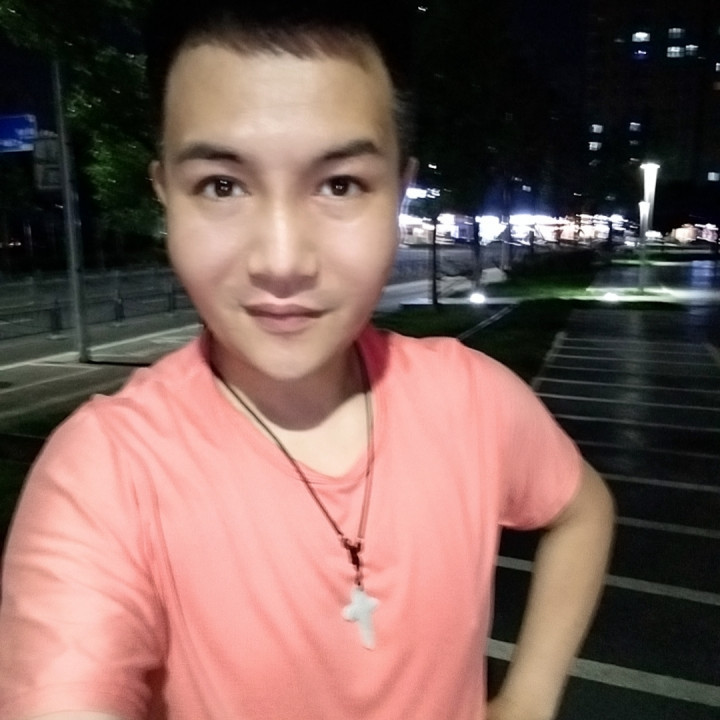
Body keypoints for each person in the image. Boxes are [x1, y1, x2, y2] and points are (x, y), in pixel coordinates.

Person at [0, 2, 615, 719]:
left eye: (339, 184)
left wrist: (529, 699)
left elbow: (583, 509)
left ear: (398, 191)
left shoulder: (471, 400)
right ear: (166, 194)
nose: (282, 260)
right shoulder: (105, 475)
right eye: (222, 186)